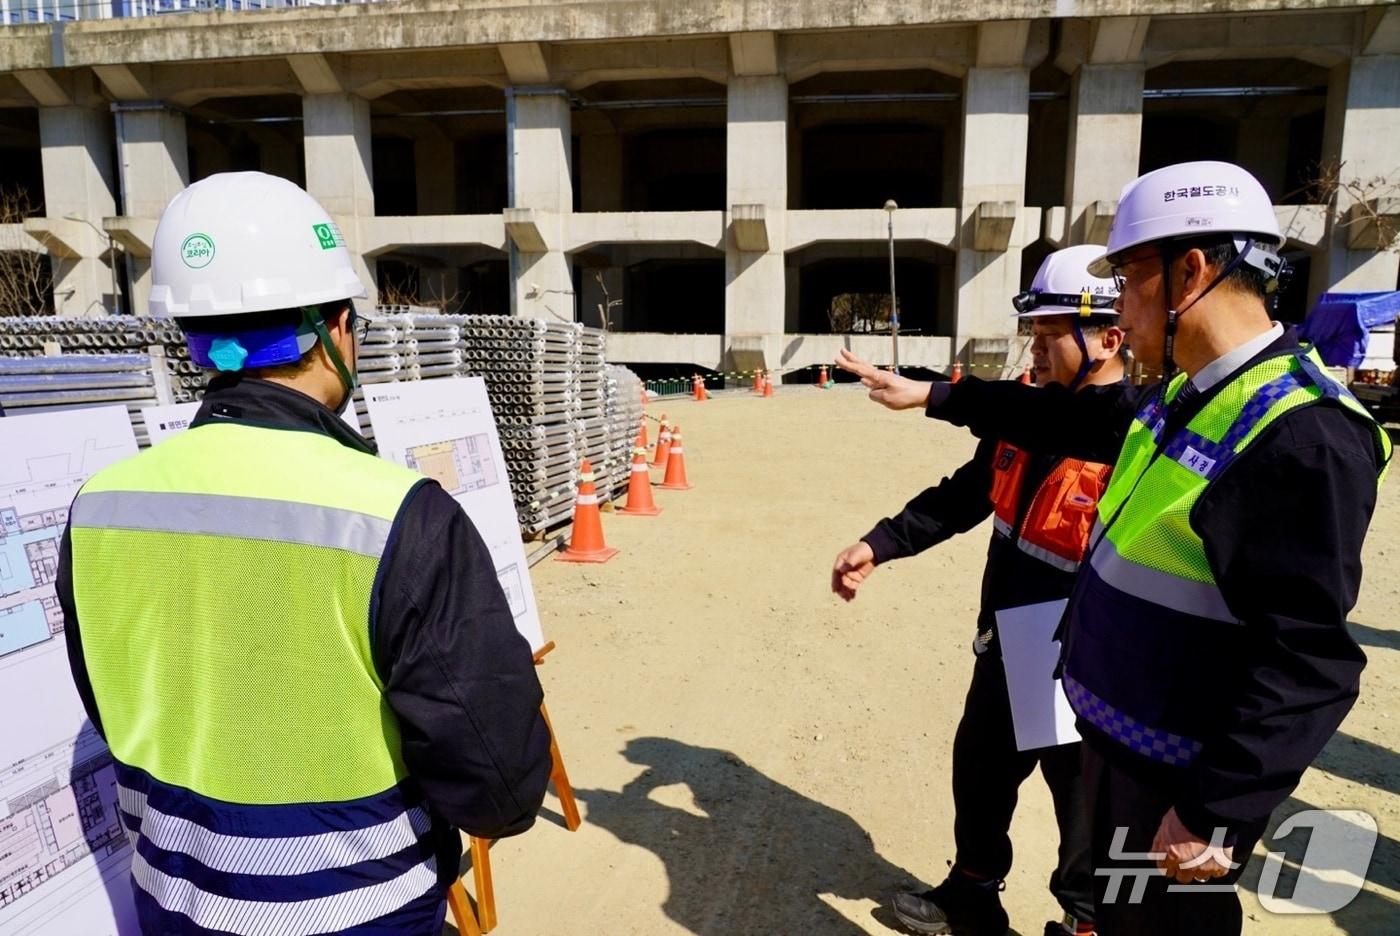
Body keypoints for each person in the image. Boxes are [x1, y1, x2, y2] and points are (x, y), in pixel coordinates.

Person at [837, 160, 1391, 936]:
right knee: (1105, 899)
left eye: (1130, 280)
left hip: (1175, 779)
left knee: (1152, 922)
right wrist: (934, 394)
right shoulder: (1186, 395)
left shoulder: (1300, 437)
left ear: (1191, 271)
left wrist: (1211, 813)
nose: (1120, 312)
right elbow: (1058, 421)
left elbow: (1309, 661)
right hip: (1118, 741)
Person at [57, 171, 553, 935]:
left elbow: (110, 703)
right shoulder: (401, 515)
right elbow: (499, 784)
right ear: (336, 328)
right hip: (359, 911)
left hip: (173, 904)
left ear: (195, 338)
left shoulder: (100, 507)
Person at [833, 245, 1124, 936]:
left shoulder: (1132, 426)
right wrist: (883, 542)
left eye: (1053, 336)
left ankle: (1087, 923)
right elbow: (970, 491)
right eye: (1037, 334)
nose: (1040, 349)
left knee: (1081, 799)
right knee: (984, 769)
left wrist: (936, 394)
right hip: (1013, 637)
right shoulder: (1031, 413)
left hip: (1082, 651)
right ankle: (972, 891)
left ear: (1111, 338)